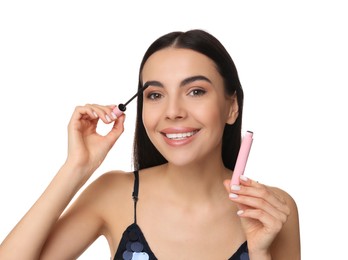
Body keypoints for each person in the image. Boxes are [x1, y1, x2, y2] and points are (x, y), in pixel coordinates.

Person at [0, 29, 301, 260]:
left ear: (231, 107)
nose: (173, 111)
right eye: (155, 95)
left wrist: (260, 254)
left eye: (195, 91)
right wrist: (76, 167)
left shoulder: (271, 209)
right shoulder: (113, 194)